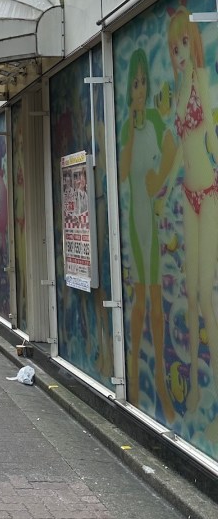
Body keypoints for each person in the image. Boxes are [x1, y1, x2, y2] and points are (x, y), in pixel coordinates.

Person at [155, 2, 218, 419]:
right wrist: (163, 192)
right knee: (193, 296)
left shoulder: (201, 79)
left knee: (206, 295)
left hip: (208, 192)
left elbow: (210, 134)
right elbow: (181, 151)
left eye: (183, 42)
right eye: (174, 46)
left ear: (191, 41)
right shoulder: (179, 90)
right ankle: (195, 386)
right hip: (187, 195)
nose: (179, 52)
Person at [119, 48, 174, 422]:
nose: (139, 89)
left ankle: (160, 385)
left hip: (152, 220)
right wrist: (131, 124)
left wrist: (159, 179)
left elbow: (171, 147)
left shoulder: (155, 119)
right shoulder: (129, 127)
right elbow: (123, 172)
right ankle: (134, 380)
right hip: (134, 222)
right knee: (140, 299)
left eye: (143, 82)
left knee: (155, 299)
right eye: (134, 83)